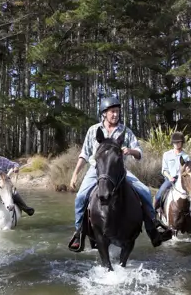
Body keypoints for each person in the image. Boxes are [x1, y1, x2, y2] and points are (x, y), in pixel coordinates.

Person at [67, 96, 157, 251]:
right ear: (104, 113)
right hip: (97, 171)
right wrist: (75, 174)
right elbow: (84, 154)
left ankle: (153, 227)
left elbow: (139, 153)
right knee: (80, 197)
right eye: (112, 112)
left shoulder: (125, 131)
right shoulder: (93, 130)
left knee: (145, 192)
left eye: (117, 112)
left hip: (119, 172)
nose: (115, 115)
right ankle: (79, 233)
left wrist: (131, 151)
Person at [153, 132, 191, 220]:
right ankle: (155, 217)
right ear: (172, 143)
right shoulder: (167, 155)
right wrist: (169, 177)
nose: (176, 144)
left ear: (182, 143)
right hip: (170, 179)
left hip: (183, 180)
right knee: (158, 196)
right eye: (175, 142)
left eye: (179, 142)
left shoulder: (186, 156)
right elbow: (164, 170)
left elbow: (189, 171)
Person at [0, 146, 35, 216]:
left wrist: (16, 168)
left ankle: (26, 208)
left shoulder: (3, 160)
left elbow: (15, 164)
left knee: (14, 194)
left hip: (4, 186)